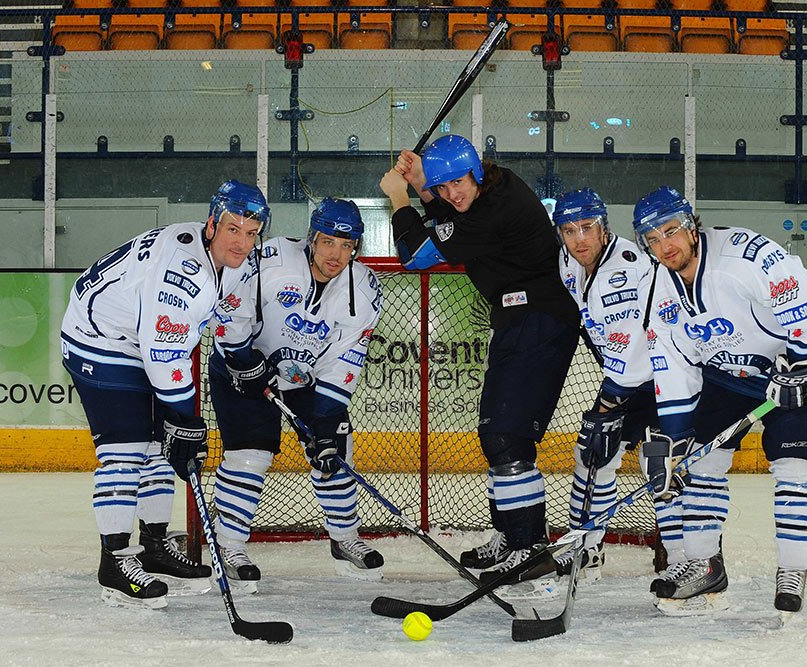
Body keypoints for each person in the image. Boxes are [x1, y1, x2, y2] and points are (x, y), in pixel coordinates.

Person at [379, 135, 581, 588]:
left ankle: (529, 545)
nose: (452, 193)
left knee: (505, 435)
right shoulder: (493, 188)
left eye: (457, 182)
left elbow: (415, 257)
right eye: (444, 186)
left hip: (539, 320)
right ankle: (511, 536)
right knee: (497, 435)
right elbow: (452, 219)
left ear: (474, 171)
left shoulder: (493, 210)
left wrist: (399, 196)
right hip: (519, 320)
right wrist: (423, 183)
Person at [60, 180, 270, 609]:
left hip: (139, 338)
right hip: (100, 339)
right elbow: (164, 353)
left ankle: (153, 547)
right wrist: (184, 419)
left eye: (251, 233)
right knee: (127, 449)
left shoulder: (235, 261)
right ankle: (115, 560)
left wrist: (240, 357)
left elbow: (228, 312)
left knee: (159, 449)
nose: (242, 242)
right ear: (212, 224)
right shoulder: (181, 274)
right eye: (233, 229)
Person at [633, 186, 807, 615]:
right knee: (700, 461)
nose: (664, 246)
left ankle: (793, 569)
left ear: (691, 226)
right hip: (729, 377)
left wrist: (801, 365)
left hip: (799, 366)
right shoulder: (657, 290)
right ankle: (705, 564)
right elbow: (674, 366)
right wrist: (675, 440)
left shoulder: (743, 256)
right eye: (652, 239)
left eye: (670, 232)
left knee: (795, 468)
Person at [208, 197, 385, 589]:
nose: (336, 254)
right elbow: (229, 310)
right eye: (328, 242)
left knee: (334, 449)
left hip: (305, 378)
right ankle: (230, 545)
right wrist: (243, 360)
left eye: (346, 245)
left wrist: (326, 418)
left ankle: (344, 537)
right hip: (243, 368)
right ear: (312, 238)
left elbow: (345, 357)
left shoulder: (364, 289)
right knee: (250, 456)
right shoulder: (271, 260)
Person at [551, 188, 661, 583]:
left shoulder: (623, 271)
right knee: (592, 456)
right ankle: (587, 548)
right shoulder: (569, 261)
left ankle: (688, 553)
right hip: (625, 373)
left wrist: (607, 406)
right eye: (569, 230)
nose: (579, 239)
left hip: (663, 378)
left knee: (660, 464)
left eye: (587, 228)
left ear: (603, 228)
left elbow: (633, 347)